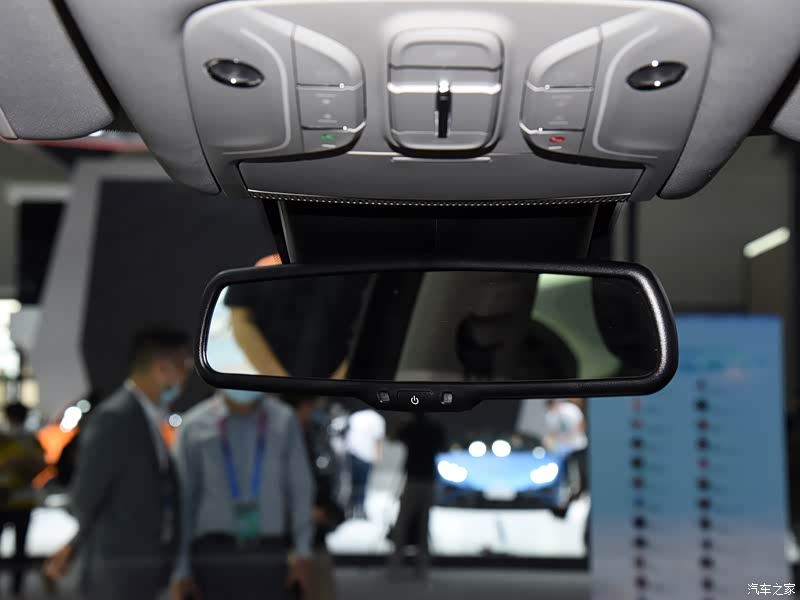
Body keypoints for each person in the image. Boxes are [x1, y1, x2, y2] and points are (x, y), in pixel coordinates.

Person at [45, 329, 192, 600]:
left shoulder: (146, 417)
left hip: (139, 571)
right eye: (184, 366)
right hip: (118, 575)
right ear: (162, 368)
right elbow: (85, 498)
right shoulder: (116, 418)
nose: (186, 377)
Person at [171, 388, 315, 600]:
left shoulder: (284, 420)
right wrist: (181, 570)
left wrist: (303, 553)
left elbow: (300, 488)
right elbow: (183, 499)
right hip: (213, 555)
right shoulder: (195, 424)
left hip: (269, 554)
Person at [295, 396, 344, 600]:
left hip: (315, 537)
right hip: (288, 540)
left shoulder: (313, 435)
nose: (313, 410)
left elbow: (324, 480)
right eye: (310, 405)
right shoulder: (282, 438)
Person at [388, 413, 446, 577]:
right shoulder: (434, 428)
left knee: (404, 520)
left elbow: (393, 438)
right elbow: (444, 447)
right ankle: (421, 566)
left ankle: (396, 563)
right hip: (427, 478)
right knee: (423, 522)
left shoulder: (411, 428)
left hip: (413, 478)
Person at [0, 401, 45, 596]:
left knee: (19, 546)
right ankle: (17, 588)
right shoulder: (28, 440)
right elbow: (42, 465)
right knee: (20, 546)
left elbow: (40, 466)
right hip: (17, 500)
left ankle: (17, 587)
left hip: (12, 499)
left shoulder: (20, 440)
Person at [345, 409, 385, 519]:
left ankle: (351, 507)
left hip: (353, 453)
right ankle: (359, 508)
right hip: (366, 455)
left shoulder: (356, 415)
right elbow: (379, 439)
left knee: (353, 483)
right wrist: (378, 456)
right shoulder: (378, 419)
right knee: (362, 484)